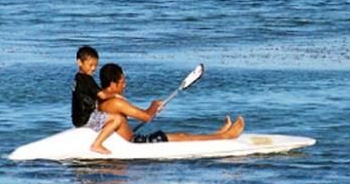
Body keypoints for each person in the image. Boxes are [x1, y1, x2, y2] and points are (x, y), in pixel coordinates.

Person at [98, 62, 245, 143]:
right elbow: (146, 117)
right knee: (181, 136)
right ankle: (226, 136)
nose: (125, 85)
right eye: (122, 82)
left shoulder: (102, 100)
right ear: (112, 84)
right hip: (136, 142)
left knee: (181, 135)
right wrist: (153, 106)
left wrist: (152, 110)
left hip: (132, 138)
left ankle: (216, 135)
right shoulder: (115, 103)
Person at [71, 46, 123, 154]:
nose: (93, 68)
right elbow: (103, 95)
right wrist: (115, 95)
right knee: (117, 119)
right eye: (90, 65)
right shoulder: (87, 79)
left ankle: (105, 137)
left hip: (77, 119)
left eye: (95, 65)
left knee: (106, 116)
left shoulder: (77, 78)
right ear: (79, 62)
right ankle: (97, 144)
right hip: (86, 118)